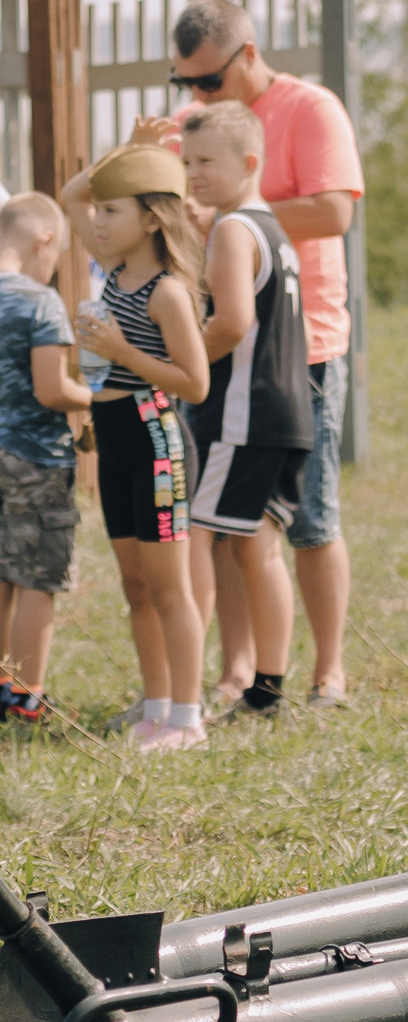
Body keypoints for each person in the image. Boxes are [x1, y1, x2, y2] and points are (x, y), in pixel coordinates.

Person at [166, 0, 363, 708]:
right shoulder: (200, 129)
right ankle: (241, 672)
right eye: (185, 82)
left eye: (209, 80)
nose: (197, 94)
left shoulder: (311, 110)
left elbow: (334, 210)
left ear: (247, 54)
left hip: (305, 341)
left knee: (310, 519)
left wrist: (235, 217)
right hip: (230, 361)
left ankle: (327, 672)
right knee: (234, 528)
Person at [63, 144, 215, 754]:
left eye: (113, 210)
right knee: (136, 585)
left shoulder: (167, 292)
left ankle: (187, 717)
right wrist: (129, 148)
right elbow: (73, 195)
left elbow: (195, 383)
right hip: (116, 440)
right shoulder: (113, 266)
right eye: (100, 212)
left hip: (156, 438)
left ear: (152, 217)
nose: (96, 220)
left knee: (170, 588)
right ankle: (155, 706)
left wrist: (121, 351)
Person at [177, 101, 312, 720]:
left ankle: (186, 690)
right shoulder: (272, 229)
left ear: (250, 162)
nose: (193, 172)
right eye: (186, 161)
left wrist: (178, 364)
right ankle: (266, 689)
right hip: (286, 412)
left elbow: (231, 322)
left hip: (242, 413)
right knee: (257, 548)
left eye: (205, 160)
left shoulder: (233, 230)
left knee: (200, 540)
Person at [0, 194, 89, 727]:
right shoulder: (39, 302)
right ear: (44, 241)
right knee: (37, 576)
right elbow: (52, 389)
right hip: (35, 458)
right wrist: (94, 396)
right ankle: (26, 696)